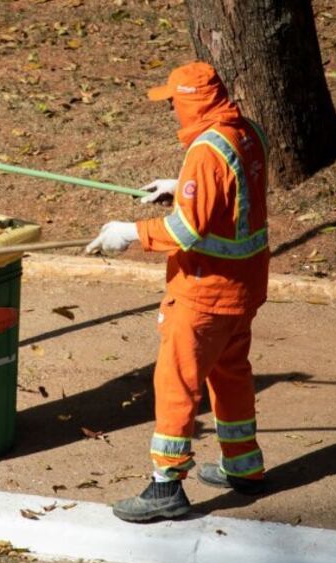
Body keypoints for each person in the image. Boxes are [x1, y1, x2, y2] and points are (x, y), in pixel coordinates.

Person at [85, 61, 271, 523]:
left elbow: (187, 232)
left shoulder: (206, 152)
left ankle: (166, 486)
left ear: (191, 101)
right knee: (230, 374)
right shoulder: (246, 132)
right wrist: (179, 188)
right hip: (243, 288)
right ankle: (243, 465)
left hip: (204, 292)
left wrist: (129, 232)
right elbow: (230, 197)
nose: (171, 108)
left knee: (177, 384)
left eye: (174, 100)